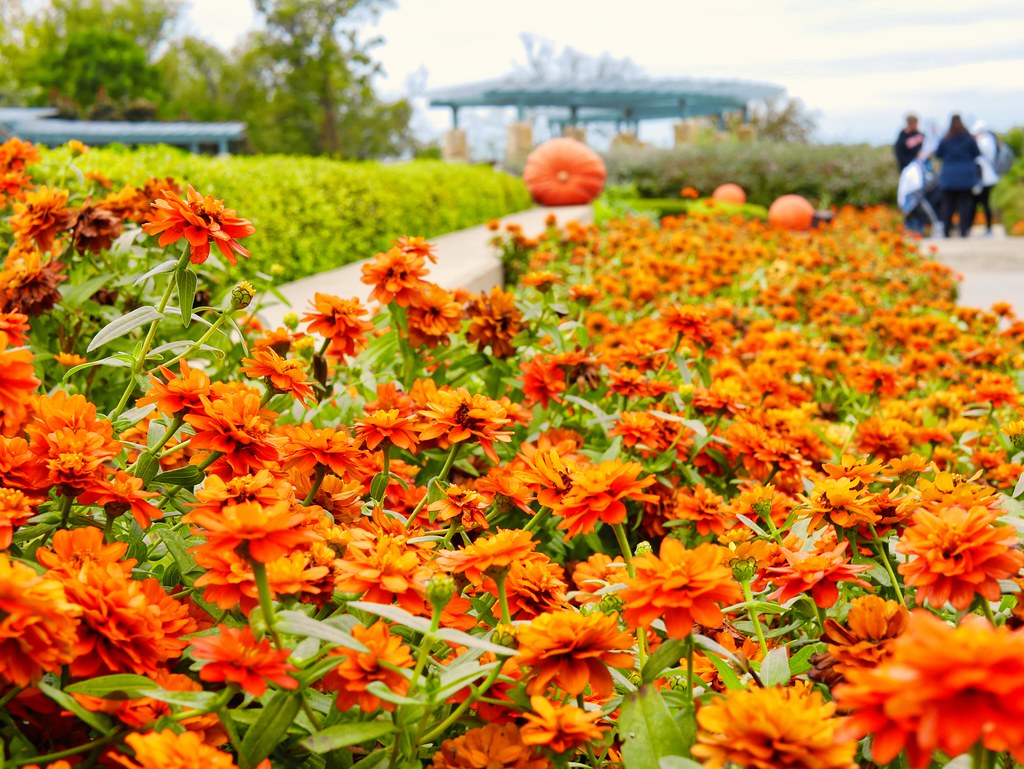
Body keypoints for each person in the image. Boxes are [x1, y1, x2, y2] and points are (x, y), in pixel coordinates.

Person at [934, 114, 980, 238]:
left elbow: (938, 154)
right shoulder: (969, 138)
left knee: (948, 204)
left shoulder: (946, 138)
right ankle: (964, 231)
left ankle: (946, 231)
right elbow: (977, 153)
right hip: (966, 175)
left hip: (949, 176)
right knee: (965, 204)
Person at [971, 120, 1000, 236]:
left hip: (985, 178)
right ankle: (985, 228)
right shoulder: (990, 140)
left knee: (984, 203)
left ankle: (988, 229)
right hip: (986, 177)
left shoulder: (984, 141)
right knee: (982, 203)